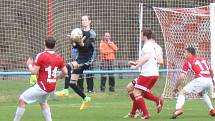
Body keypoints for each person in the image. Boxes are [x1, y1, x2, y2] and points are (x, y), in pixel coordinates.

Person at [13, 37, 67, 121]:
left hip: (42, 86)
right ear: (55, 45)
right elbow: (65, 71)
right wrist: (58, 77)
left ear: (44, 43)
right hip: (51, 86)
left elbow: (34, 71)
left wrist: (29, 65)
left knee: (22, 100)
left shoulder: (41, 55)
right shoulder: (58, 57)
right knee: (43, 103)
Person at [55, 15, 96, 111]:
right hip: (80, 58)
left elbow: (86, 47)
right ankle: (86, 99)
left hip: (87, 60)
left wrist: (80, 42)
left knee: (67, 66)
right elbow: (76, 48)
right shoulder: (79, 32)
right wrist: (73, 41)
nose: (84, 21)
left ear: (90, 21)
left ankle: (65, 90)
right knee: (72, 83)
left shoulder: (92, 33)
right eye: (82, 20)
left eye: (86, 20)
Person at [124, 28, 163, 119]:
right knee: (134, 89)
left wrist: (136, 66)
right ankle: (135, 111)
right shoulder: (149, 46)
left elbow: (148, 57)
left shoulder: (149, 45)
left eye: (141, 34)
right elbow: (148, 59)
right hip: (150, 73)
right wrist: (136, 63)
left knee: (136, 92)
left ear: (145, 36)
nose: (140, 36)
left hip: (148, 74)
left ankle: (144, 112)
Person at [171, 47, 215, 119]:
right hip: (209, 79)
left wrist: (176, 87)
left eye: (185, 53)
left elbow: (181, 77)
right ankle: (212, 110)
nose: (184, 54)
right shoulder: (203, 59)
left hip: (200, 79)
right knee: (202, 93)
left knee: (182, 92)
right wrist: (213, 82)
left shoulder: (188, 62)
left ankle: (178, 110)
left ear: (189, 54)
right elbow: (211, 71)